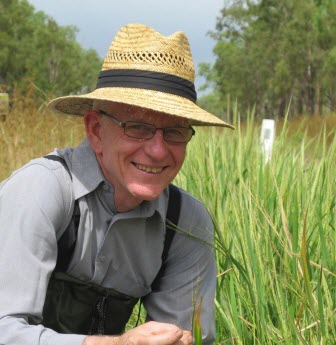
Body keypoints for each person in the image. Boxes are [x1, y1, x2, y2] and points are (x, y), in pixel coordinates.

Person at [0, 23, 233, 345]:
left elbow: (188, 336)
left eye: (175, 131)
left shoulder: (185, 222)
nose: (157, 150)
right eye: (137, 127)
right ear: (95, 129)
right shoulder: (41, 190)